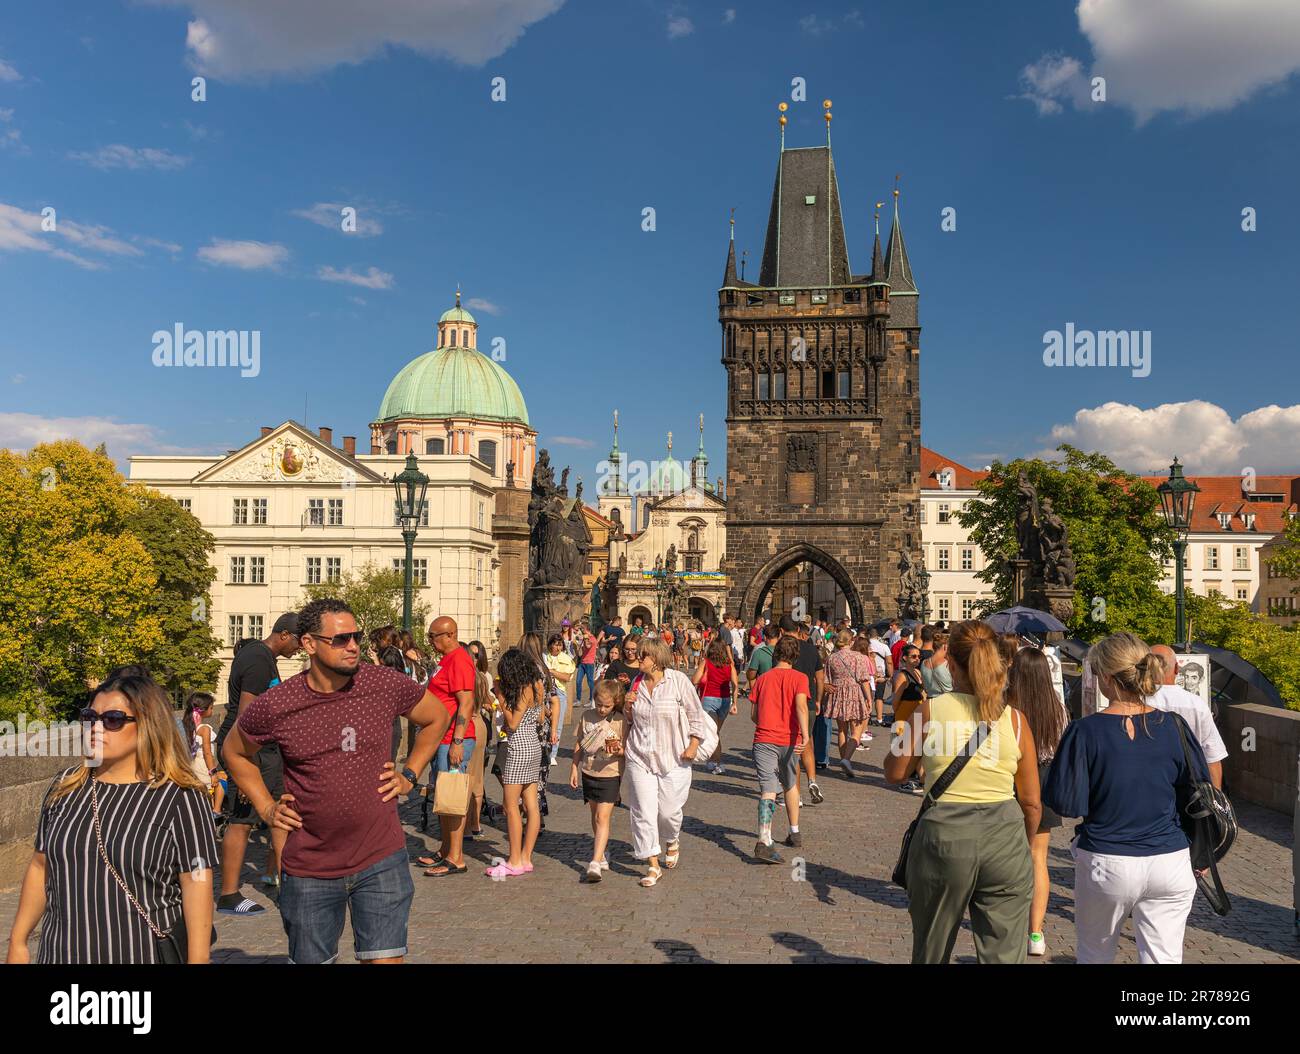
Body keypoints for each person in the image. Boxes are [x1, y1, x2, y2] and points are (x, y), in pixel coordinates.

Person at [222, 599, 452, 964]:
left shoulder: (383, 684)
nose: (353, 646)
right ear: (309, 644)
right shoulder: (279, 703)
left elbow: (437, 717)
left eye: (356, 637)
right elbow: (234, 752)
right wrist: (265, 806)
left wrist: (410, 773)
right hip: (309, 867)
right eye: (341, 639)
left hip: (381, 859)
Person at [8, 674, 218, 963]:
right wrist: (18, 941)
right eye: (89, 716)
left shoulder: (179, 796)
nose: (96, 727)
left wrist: (198, 960)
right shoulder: (65, 787)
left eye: (113, 719)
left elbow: (196, 882)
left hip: (138, 954)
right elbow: (40, 866)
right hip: (62, 956)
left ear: (147, 725)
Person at [1043, 633, 1210, 964]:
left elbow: (1066, 802)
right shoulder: (1174, 726)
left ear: (1106, 678)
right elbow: (1199, 786)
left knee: (1095, 954)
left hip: (1108, 857)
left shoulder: (1086, 731)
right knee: (1164, 958)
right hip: (1169, 858)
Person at [884, 620, 1041, 964]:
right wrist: (1025, 844)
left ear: (951, 664)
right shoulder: (1015, 720)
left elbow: (894, 772)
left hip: (945, 835)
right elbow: (1030, 801)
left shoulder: (929, 711)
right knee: (1004, 953)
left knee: (932, 948)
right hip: (1005, 837)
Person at [215, 612, 300, 915]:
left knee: (278, 809)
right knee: (242, 821)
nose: (298, 650)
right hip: (252, 751)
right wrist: (244, 764)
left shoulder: (265, 657)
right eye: (297, 643)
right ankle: (228, 894)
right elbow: (245, 717)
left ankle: (288, 882)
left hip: (266, 750)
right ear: (284, 635)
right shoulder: (258, 659)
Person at [622, 637, 708, 888]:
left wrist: (693, 744)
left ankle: (671, 839)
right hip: (640, 755)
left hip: (674, 757)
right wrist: (627, 708)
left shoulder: (678, 682)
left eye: (642, 655)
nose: (637, 658)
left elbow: (696, 715)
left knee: (668, 812)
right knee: (643, 811)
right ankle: (652, 863)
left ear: (657, 659)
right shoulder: (636, 683)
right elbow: (630, 721)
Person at [1008, 647, 1069, 958]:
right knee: (1038, 858)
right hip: (1045, 780)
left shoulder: (1006, 706)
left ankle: (1005, 923)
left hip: (1009, 776)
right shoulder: (1057, 708)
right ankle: (1035, 933)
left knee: (1002, 853)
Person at [413, 617, 478, 877]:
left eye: (433, 636)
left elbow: (466, 702)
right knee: (442, 797)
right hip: (441, 737)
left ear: (449, 635)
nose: (430, 640)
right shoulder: (446, 660)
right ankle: (444, 849)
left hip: (454, 738)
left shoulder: (460, 659)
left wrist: (457, 741)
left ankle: (456, 857)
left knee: (452, 797)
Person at [749, 636, 811, 863]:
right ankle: (794, 832)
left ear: (775, 654)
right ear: (795, 656)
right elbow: (801, 706)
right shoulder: (800, 678)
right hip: (791, 740)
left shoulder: (763, 679)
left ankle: (764, 838)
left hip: (764, 738)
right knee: (791, 783)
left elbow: (754, 715)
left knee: (768, 789)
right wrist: (805, 734)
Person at [489, 648, 546, 878]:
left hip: (519, 748)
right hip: (533, 745)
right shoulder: (536, 686)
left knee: (510, 805)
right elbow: (541, 717)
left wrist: (500, 696)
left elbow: (512, 723)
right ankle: (526, 857)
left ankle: (514, 860)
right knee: (531, 805)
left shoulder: (522, 690)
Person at [569, 679, 628, 882]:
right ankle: (602, 852)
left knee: (603, 817)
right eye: (599, 705)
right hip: (589, 771)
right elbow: (579, 744)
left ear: (615, 703)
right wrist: (574, 768)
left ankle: (595, 862)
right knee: (595, 816)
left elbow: (628, 750)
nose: (602, 709)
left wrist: (618, 750)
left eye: (607, 706)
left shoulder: (620, 720)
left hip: (610, 773)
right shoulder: (587, 716)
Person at [1148, 645, 1227, 789]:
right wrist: (1215, 800)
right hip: (1191, 789)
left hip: (1152, 787)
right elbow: (1212, 756)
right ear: (1177, 669)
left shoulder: (1136, 702)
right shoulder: (1197, 704)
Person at [783, 615, 827, 804]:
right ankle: (813, 781)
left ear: (782, 631)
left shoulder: (784, 649)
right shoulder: (811, 649)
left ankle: (797, 795)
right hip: (809, 703)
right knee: (807, 742)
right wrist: (818, 700)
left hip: (791, 703)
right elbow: (820, 679)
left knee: (794, 748)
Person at [823, 630, 874, 778]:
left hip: (838, 693)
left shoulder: (832, 658)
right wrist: (868, 698)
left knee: (841, 730)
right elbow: (864, 679)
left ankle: (843, 760)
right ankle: (846, 759)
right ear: (850, 641)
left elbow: (827, 679)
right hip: (855, 693)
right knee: (857, 731)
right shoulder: (858, 657)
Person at [692, 638, 738, 774]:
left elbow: (695, 680)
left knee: (713, 733)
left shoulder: (706, 662)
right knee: (715, 732)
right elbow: (735, 684)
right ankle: (713, 761)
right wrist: (734, 703)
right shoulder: (729, 664)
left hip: (709, 699)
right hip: (724, 700)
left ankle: (718, 763)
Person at [890, 643, 929, 794]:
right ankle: (903, 781)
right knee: (904, 749)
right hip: (904, 714)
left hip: (917, 714)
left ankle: (923, 779)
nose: (917, 659)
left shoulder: (918, 673)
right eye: (913, 656)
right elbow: (895, 700)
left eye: (918, 656)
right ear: (905, 658)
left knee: (918, 749)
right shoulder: (901, 675)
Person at [180, 690, 219, 813]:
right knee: (208, 793)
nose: (212, 711)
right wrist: (213, 773)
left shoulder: (188, 727)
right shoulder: (205, 729)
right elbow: (208, 753)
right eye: (211, 708)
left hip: (193, 764)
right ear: (203, 710)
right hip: (204, 766)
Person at [543, 633, 576, 764]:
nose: (558, 647)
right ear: (550, 645)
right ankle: (543, 749)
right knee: (545, 721)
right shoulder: (544, 657)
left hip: (559, 692)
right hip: (545, 691)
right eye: (555, 644)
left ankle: (553, 754)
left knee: (558, 724)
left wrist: (551, 672)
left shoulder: (566, 658)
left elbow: (567, 677)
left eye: (560, 644)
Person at [867, 627, 893, 726]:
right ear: (877, 636)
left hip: (868, 674)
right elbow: (889, 662)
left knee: (867, 696)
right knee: (879, 697)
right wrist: (890, 675)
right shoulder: (884, 646)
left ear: (868, 635)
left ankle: (867, 717)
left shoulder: (865, 646)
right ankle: (879, 718)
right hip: (881, 673)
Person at [575, 627, 604, 710]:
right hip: (582, 663)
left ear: (587, 630)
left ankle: (591, 699)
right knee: (578, 681)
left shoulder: (592, 639)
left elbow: (588, 646)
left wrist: (586, 638)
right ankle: (578, 700)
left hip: (589, 663)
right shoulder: (585, 638)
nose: (582, 632)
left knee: (590, 682)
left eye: (583, 630)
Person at [745, 623, 779, 691]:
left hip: (765, 691)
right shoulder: (785, 651)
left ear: (765, 637)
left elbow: (751, 675)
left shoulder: (759, 652)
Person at [920, 630, 953, 697]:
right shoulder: (947, 663)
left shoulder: (923, 663)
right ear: (945, 646)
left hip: (930, 700)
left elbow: (924, 687)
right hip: (946, 699)